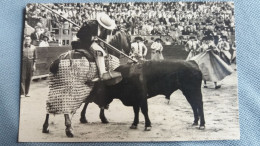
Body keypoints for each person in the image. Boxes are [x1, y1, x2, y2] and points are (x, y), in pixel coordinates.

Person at [75, 12, 121, 82]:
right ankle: (102, 73)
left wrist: (103, 43)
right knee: (100, 52)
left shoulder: (105, 28)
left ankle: (104, 68)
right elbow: (79, 35)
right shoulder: (90, 25)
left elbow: (103, 38)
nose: (105, 28)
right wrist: (91, 37)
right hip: (85, 42)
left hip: (95, 42)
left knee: (105, 51)